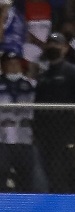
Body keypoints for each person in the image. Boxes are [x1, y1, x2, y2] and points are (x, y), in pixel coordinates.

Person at [33, 32, 75, 194]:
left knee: (61, 168)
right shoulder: (43, 75)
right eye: (51, 44)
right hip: (43, 130)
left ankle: (62, 204)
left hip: (64, 128)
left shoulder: (72, 71)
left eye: (57, 45)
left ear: (65, 48)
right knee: (45, 169)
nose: (53, 48)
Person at [0, 51, 36, 192]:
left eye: (16, 63)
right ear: (3, 66)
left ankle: (25, 205)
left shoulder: (31, 84)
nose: (13, 67)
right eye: (9, 64)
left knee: (25, 174)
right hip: (2, 137)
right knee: (2, 173)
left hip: (24, 137)